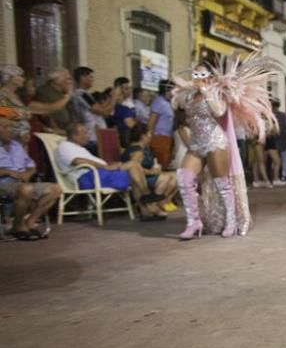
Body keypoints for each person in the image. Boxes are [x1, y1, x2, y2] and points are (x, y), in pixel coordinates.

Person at [172, 57, 277, 239]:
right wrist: (186, 90)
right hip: (196, 143)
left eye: (202, 74)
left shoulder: (216, 94)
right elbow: (177, 105)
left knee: (222, 183)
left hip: (215, 142)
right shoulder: (189, 95)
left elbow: (219, 111)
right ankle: (194, 222)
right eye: (195, 73)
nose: (198, 77)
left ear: (211, 76)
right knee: (184, 179)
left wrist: (206, 91)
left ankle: (231, 221)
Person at [54, 122, 166, 221]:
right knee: (133, 166)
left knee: (134, 169)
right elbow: (77, 161)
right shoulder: (65, 146)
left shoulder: (80, 148)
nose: (87, 136)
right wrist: (105, 167)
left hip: (99, 173)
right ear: (74, 135)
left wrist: (112, 166)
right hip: (88, 177)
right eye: (84, 133)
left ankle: (146, 212)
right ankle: (148, 197)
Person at [0, 112, 61, 240]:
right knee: (26, 189)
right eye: (7, 128)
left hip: (22, 182)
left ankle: (30, 222)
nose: (12, 131)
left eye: (13, 128)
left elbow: (31, 166)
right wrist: (7, 172)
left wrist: (28, 173)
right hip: (3, 183)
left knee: (55, 189)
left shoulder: (16, 145)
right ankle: (18, 226)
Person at [0, 65, 71, 144]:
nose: (23, 79)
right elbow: (2, 112)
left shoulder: (16, 95)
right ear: (10, 78)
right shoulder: (2, 96)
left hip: (25, 139)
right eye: (20, 76)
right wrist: (23, 113)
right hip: (10, 139)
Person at [122, 126, 178, 210]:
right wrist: (152, 171)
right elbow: (135, 169)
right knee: (165, 179)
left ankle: (164, 201)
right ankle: (152, 203)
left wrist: (156, 168)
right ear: (142, 136)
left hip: (149, 175)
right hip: (141, 178)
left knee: (178, 176)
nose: (150, 136)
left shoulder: (145, 148)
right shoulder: (137, 151)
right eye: (149, 134)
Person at [148, 80, 175, 167]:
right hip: (159, 138)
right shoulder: (159, 102)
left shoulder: (168, 103)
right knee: (161, 163)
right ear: (167, 90)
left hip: (167, 138)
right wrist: (149, 138)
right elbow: (152, 121)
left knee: (166, 162)